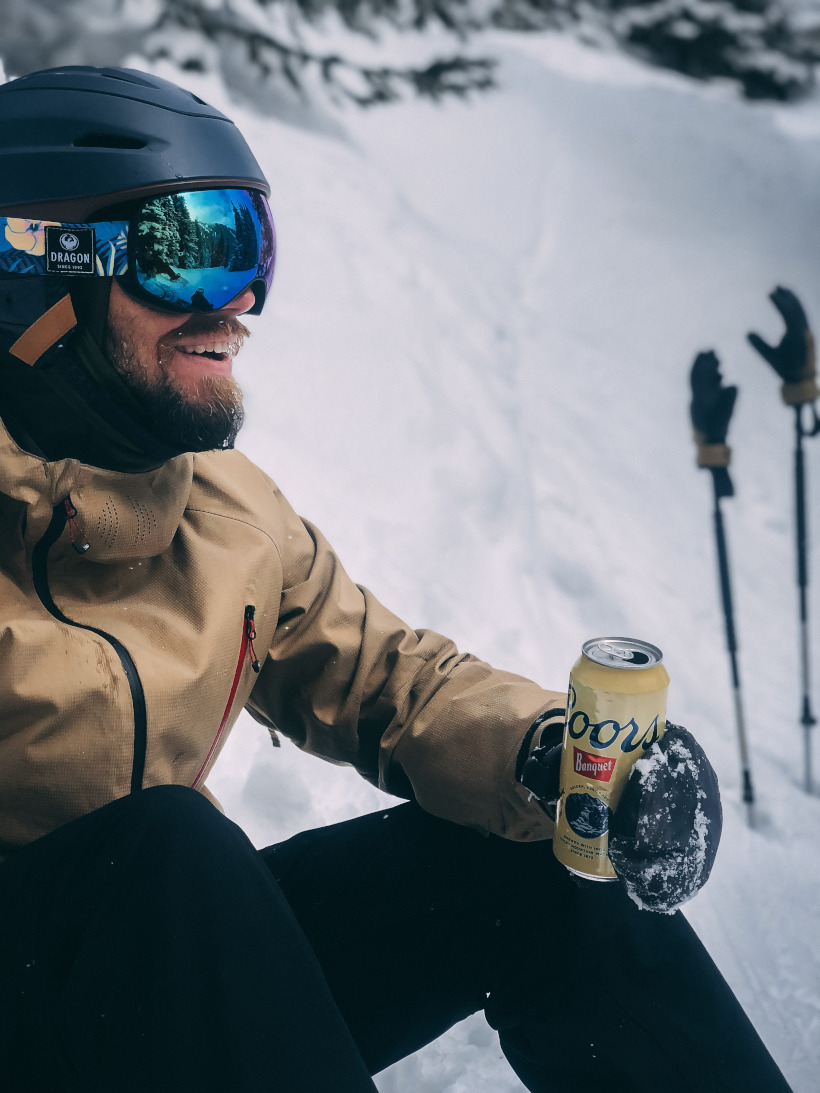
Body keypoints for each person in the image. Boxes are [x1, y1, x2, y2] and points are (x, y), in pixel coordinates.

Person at [0, 65, 791, 1093]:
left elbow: (391, 684)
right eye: (186, 250)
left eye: (251, 246)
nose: (239, 299)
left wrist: (558, 759)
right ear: (37, 271)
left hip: (166, 990)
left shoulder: (221, 512)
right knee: (167, 856)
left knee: (537, 855)